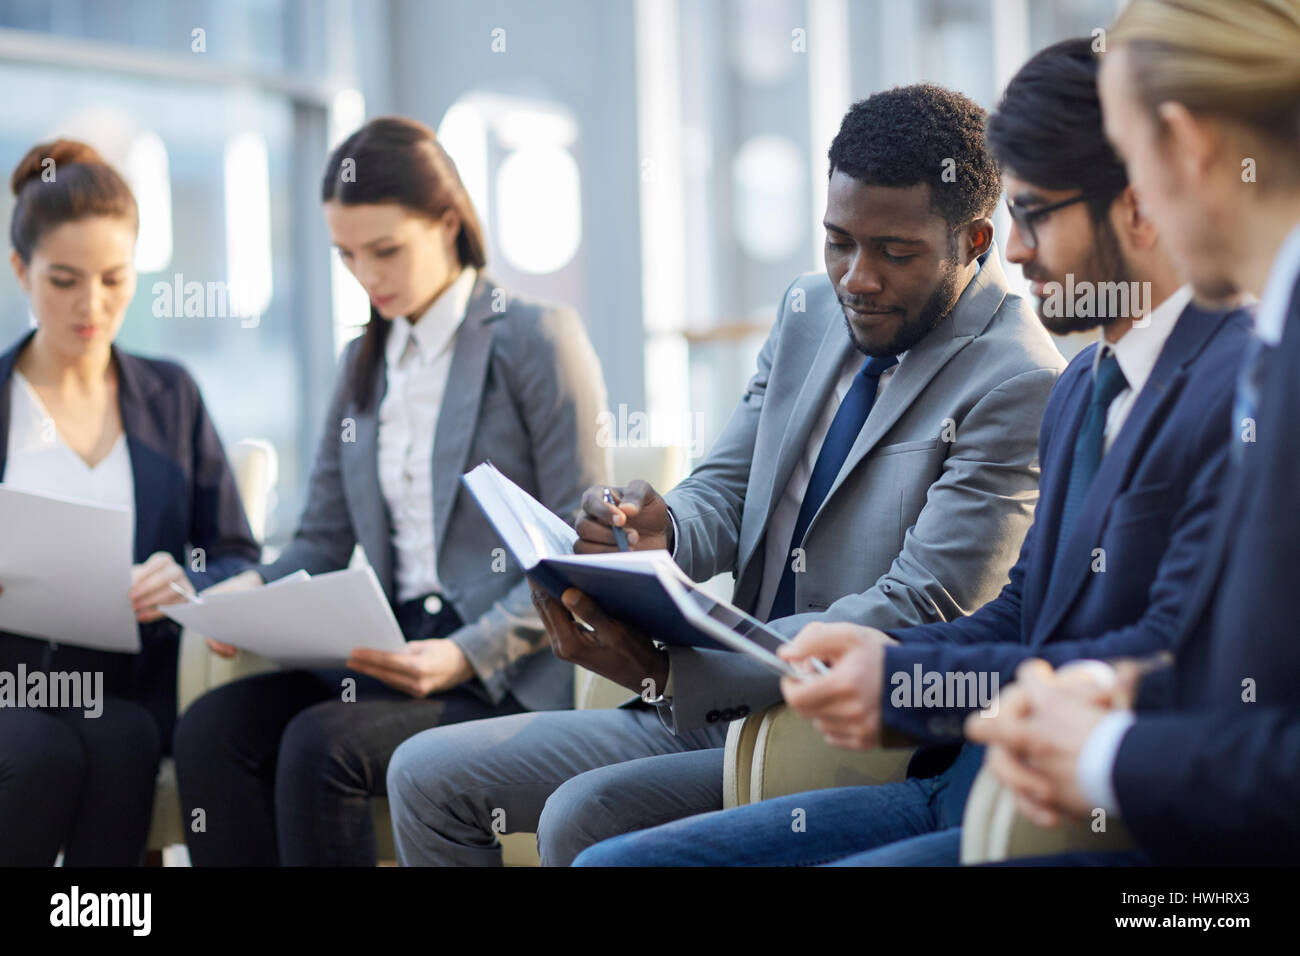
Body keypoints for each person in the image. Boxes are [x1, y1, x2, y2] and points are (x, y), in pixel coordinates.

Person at [571, 36, 1254, 867]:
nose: (1018, 250)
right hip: (965, 779)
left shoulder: (1231, 388)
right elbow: (1023, 610)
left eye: (1036, 215)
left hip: (1081, 819)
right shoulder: (1088, 386)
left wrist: (900, 683)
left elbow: (1164, 651)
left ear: (1141, 206)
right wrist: (882, 660)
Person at [387, 84, 1067, 866]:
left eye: (895, 252)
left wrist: (684, 668)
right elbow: (730, 486)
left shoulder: (1018, 380)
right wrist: (661, 527)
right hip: (706, 697)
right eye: (838, 241)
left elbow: (918, 609)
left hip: (818, 729)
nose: (857, 277)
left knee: (586, 814)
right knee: (425, 775)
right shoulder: (811, 312)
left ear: (976, 240)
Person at [172, 116, 610, 866]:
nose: (368, 277)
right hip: (389, 647)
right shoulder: (361, 363)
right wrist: (241, 594)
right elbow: (316, 537)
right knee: (213, 729)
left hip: (499, 668)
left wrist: (463, 655)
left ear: (447, 224)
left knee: (322, 745)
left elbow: (579, 551)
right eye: (348, 257)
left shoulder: (536, 337)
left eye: (386, 251)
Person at [969, 0, 1300, 866]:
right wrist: (1109, 691)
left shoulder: (1259, 360)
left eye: (1134, 162)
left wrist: (1103, 749)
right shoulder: (1272, 342)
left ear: (1184, 147)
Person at [0, 139, 259, 866]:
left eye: (114, 279)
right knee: (40, 751)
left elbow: (236, 552)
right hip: (9, 684)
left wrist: (186, 583)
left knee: (124, 741)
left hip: (126, 687)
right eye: (63, 280)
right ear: (20, 270)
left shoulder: (169, 395)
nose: (93, 305)